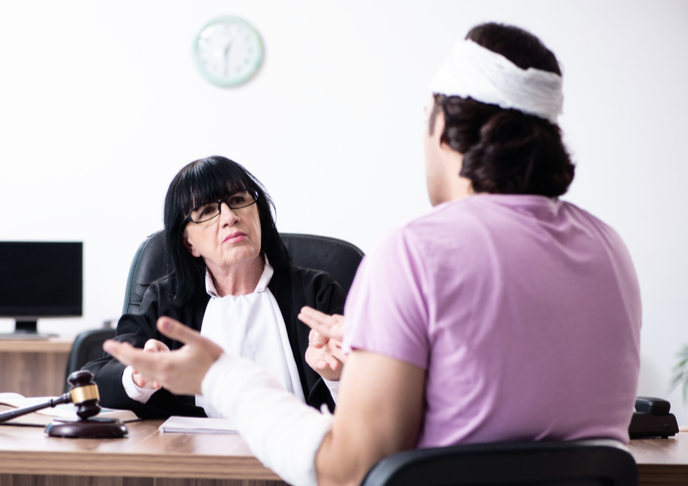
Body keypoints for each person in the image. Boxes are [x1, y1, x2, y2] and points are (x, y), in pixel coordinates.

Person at [104, 23, 642, 486]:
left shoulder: (413, 253)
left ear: (444, 127)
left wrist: (221, 376)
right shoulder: (609, 249)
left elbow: (349, 470)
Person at [84, 155, 347, 419]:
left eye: (238, 200)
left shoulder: (317, 293)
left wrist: (338, 376)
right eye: (207, 211)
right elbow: (95, 379)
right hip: (193, 457)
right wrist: (138, 377)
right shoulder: (166, 302)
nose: (229, 217)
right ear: (190, 245)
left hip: (301, 455)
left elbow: (371, 404)